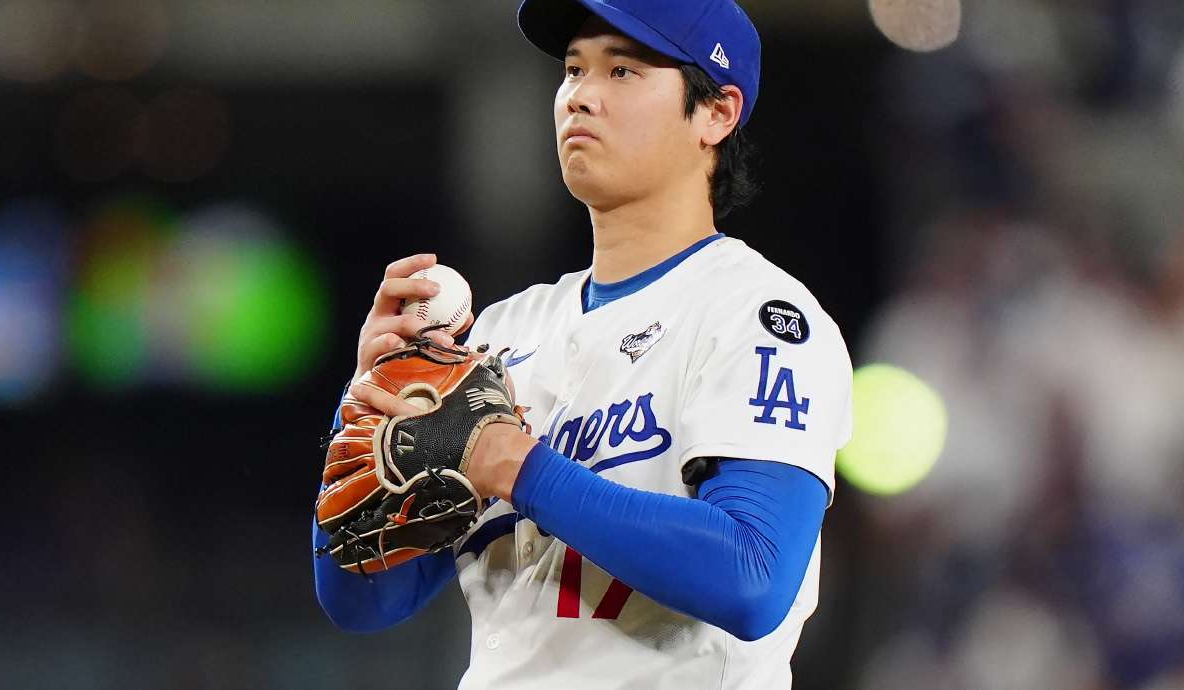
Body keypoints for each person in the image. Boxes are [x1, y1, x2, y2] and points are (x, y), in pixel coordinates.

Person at [312, 1, 853, 687]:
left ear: (716, 113)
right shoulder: (504, 334)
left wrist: (519, 467)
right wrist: (363, 414)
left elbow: (752, 576)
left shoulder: (759, 316)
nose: (581, 96)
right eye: (573, 69)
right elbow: (365, 601)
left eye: (622, 70)